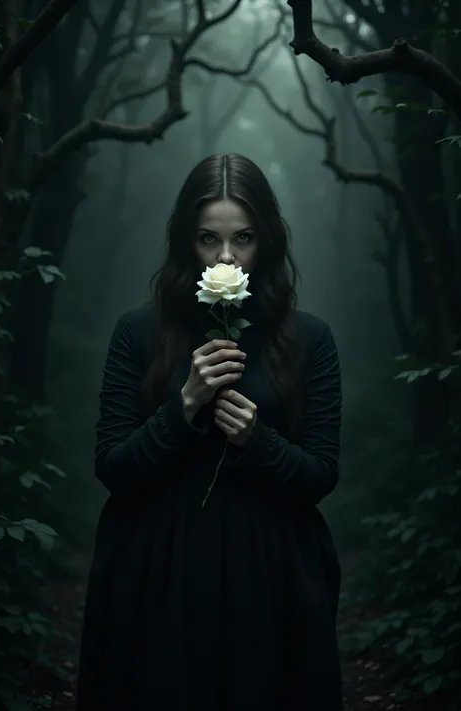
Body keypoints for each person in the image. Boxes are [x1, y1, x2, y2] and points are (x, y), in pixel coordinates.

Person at [76, 153, 343, 711]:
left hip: (268, 576)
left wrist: (258, 440)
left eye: (243, 238)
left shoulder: (309, 340)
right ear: (184, 242)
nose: (226, 255)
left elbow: (321, 474)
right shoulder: (138, 332)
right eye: (208, 238)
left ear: (265, 240)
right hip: (157, 572)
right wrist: (185, 406)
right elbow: (113, 468)